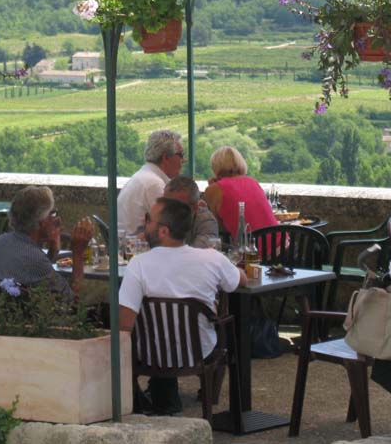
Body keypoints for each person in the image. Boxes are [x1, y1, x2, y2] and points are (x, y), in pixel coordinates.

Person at [118, 197, 245, 415]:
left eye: (148, 219)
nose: (143, 222)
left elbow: (123, 323)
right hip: (199, 351)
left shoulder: (137, 265)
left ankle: (150, 401)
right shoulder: (212, 259)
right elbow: (239, 280)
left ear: (164, 231)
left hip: (151, 355)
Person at [0, 185, 94, 300]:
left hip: (2, 315)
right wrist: (78, 253)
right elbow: (75, 303)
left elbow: (32, 275)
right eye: (53, 213)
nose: (58, 219)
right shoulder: (35, 260)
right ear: (41, 222)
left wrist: (53, 251)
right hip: (37, 317)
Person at [203, 146, 278, 245]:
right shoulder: (252, 182)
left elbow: (217, 228)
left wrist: (213, 189)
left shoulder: (214, 189)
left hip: (253, 254)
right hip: (284, 247)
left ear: (215, 166)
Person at [117, 129, 184, 236]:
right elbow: (167, 229)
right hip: (137, 248)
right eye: (181, 155)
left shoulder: (143, 176)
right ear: (166, 157)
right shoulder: (155, 184)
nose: (184, 160)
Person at [165, 175, 220, 248]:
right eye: (166, 204)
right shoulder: (157, 217)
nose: (169, 211)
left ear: (195, 207)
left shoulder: (206, 221)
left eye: (177, 207)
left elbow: (199, 254)